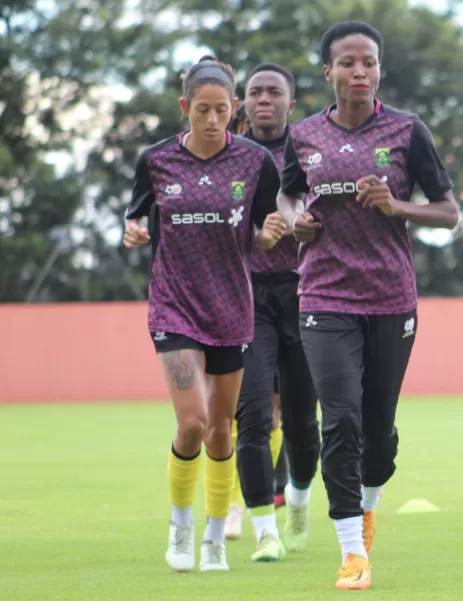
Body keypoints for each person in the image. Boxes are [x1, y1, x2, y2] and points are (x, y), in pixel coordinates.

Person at [275, 21, 459, 590]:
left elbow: (449, 212)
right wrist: (293, 218)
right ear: (327, 71)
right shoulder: (303, 135)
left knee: (378, 431)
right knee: (343, 417)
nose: (360, 72)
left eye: (370, 63)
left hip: (390, 297)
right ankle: (352, 552)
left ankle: (370, 504)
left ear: (379, 70)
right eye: (348, 62)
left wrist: (397, 205)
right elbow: (287, 190)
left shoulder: (407, 131)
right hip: (323, 294)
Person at [123, 54, 286, 573]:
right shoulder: (155, 160)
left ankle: (216, 536)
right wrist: (133, 231)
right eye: (202, 110)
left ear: (234, 108)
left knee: (221, 429)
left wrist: (270, 233)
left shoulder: (255, 162)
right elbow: (134, 217)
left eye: (221, 110)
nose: (212, 120)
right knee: (190, 422)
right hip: (173, 308)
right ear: (184, 107)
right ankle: (181, 525)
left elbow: (263, 227)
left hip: (232, 309)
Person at [228, 62, 323, 563]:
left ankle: (301, 501)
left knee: (304, 425)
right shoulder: (230, 155)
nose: (263, 99)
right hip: (247, 297)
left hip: (306, 293)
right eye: (254, 91)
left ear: (291, 102)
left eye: (274, 91)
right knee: (254, 416)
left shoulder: (310, 148)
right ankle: (264, 529)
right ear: (242, 102)